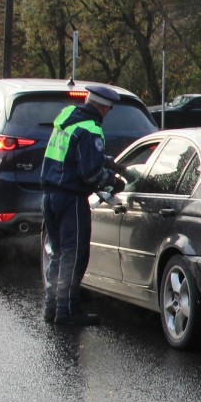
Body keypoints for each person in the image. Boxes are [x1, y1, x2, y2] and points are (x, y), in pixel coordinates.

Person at [41, 86, 127, 326]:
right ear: (102, 107)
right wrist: (113, 181)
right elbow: (89, 172)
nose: (108, 114)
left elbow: (74, 155)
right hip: (71, 199)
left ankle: (52, 307)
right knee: (75, 254)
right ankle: (67, 309)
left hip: (50, 195)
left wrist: (111, 163)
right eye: (108, 110)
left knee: (58, 253)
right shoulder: (91, 128)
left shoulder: (68, 120)